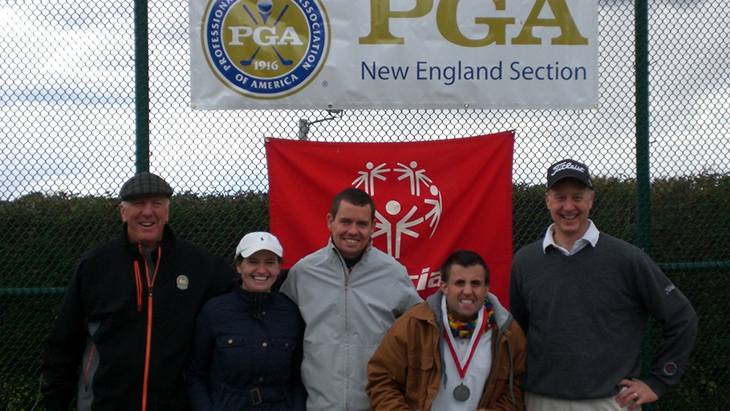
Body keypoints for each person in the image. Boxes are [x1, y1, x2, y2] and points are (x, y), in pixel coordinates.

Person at [509, 159, 699, 411]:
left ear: (591, 200)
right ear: (547, 200)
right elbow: (519, 331)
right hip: (541, 401)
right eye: (560, 197)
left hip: (611, 402)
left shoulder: (627, 258)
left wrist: (658, 381)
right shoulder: (525, 261)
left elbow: (682, 318)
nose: (568, 206)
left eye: (577, 197)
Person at [41, 172, 236, 411]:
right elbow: (64, 342)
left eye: (157, 204)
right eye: (138, 204)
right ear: (123, 212)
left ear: (167, 212)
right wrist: (55, 403)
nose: (148, 212)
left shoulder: (199, 264)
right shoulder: (95, 265)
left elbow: (245, 292)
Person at [279, 187, 422, 410]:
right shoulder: (304, 272)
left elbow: (419, 330)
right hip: (319, 406)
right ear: (330, 221)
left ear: (373, 226)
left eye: (362, 224)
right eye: (345, 222)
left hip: (378, 405)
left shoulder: (394, 273)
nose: (353, 231)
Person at [367, 250, 526, 411]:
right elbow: (382, 381)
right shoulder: (412, 325)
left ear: (486, 289)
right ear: (444, 286)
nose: (468, 291)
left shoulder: (507, 332)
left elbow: (515, 389)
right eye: (460, 283)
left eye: (475, 284)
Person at [187, 232, 306, 410]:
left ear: (278, 267)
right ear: (238, 266)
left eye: (270, 262)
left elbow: (299, 378)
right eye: (253, 262)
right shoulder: (214, 312)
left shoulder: (291, 314)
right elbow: (195, 375)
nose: (261, 270)